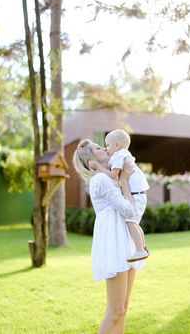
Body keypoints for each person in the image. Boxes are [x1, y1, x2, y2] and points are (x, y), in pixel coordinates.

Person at [73, 139, 145, 334]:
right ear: (90, 158)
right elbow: (129, 211)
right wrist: (123, 182)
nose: (104, 148)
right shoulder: (101, 180)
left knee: (123, 308)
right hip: (114, 242)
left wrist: (123, 179)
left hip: (124, 239)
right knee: (116, 310)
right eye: (98, 148)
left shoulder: (111, 177)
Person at [89, 129, 150, 262]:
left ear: (117, 145)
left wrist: (97, 166)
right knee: (134, 222)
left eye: (108, 145)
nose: (106, 148)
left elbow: (113, 175)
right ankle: (142, 248)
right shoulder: (122, 154)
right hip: (138, 193)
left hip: (136, 194)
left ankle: (140, 250)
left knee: (130, 221)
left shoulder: (118, 156)